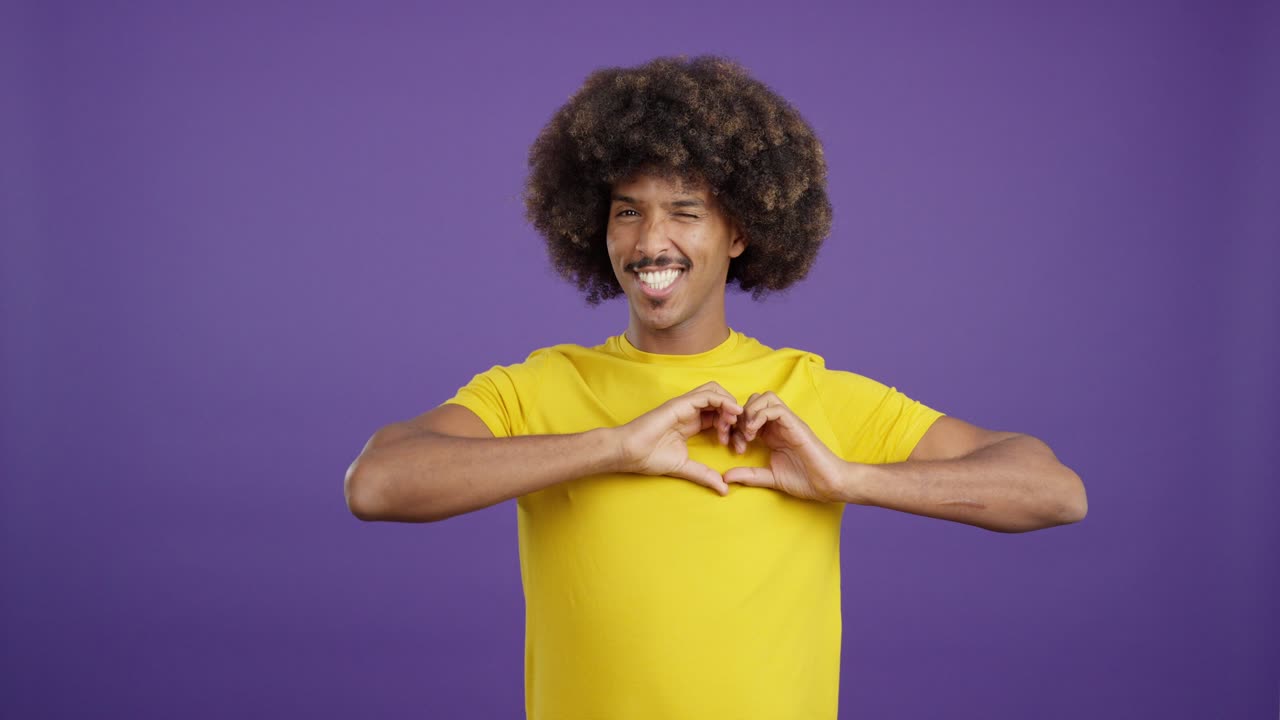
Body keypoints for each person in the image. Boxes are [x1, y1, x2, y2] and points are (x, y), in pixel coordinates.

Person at [343, 55, 1087, 720]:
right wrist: (611, 447)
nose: (648, 241)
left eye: (684, 213)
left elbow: (1054, 492)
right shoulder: (539, 386)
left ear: (739, 233)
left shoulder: (807, 392)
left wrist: (849, 478)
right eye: (627, 212)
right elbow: (376, 484)